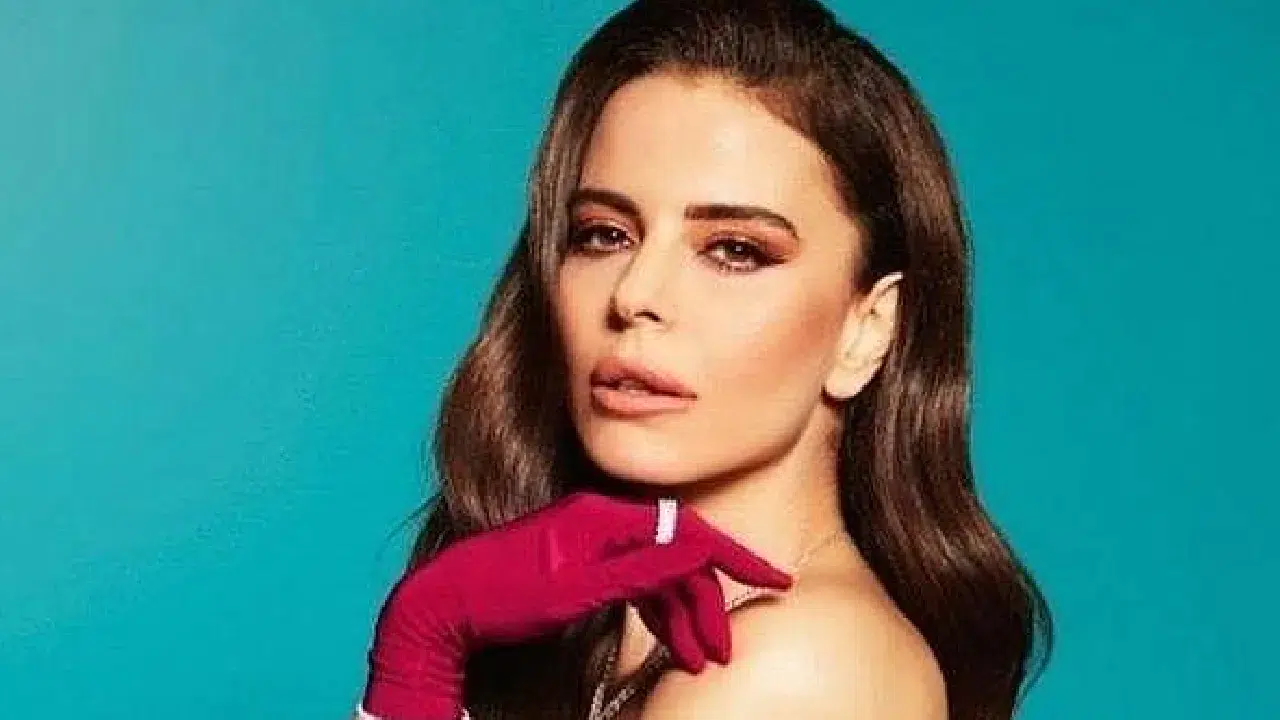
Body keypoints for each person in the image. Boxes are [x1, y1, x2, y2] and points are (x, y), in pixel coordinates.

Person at [356, 0, 1054, 718]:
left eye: (735, 251)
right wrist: (426, 634)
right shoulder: (632, 645)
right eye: (604, 235)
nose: (635, 294)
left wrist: (419, 652)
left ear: (867, 328)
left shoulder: (795, 668)